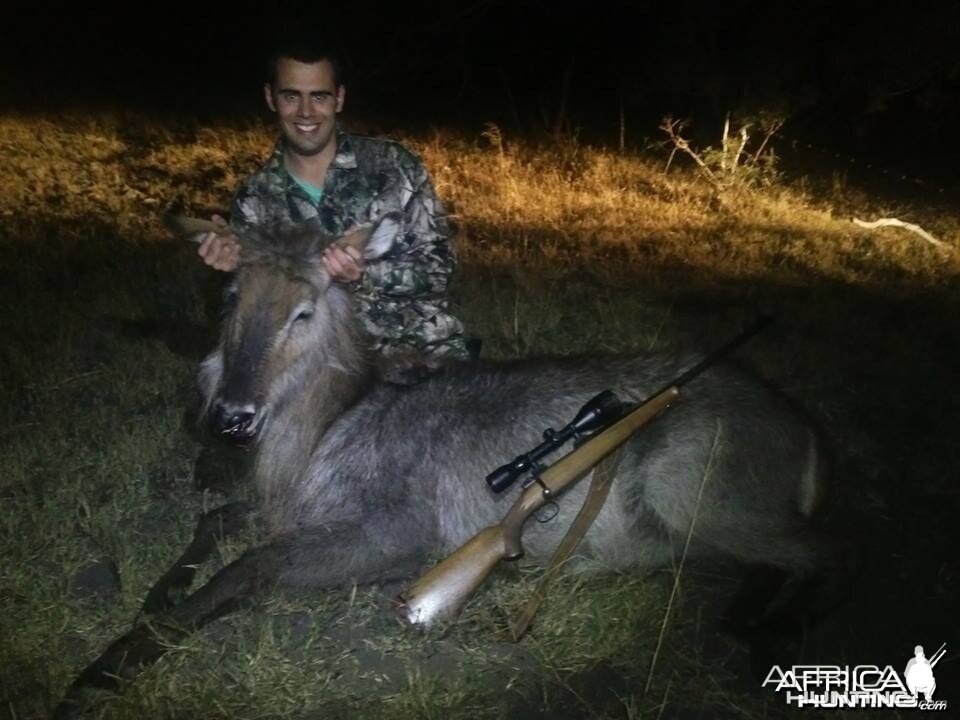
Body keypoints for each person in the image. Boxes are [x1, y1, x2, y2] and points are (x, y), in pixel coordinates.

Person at [197, 36, 472, 384]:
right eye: (291, 95)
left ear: (339, 99)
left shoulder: (392, 167)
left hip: (420, 353)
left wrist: (363, 275)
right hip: (320, 374)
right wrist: (229, 270)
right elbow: (256, 313)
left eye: (320, 96)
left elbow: (440, 269)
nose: (306, 112)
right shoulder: (254, 200)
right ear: (271, 98)